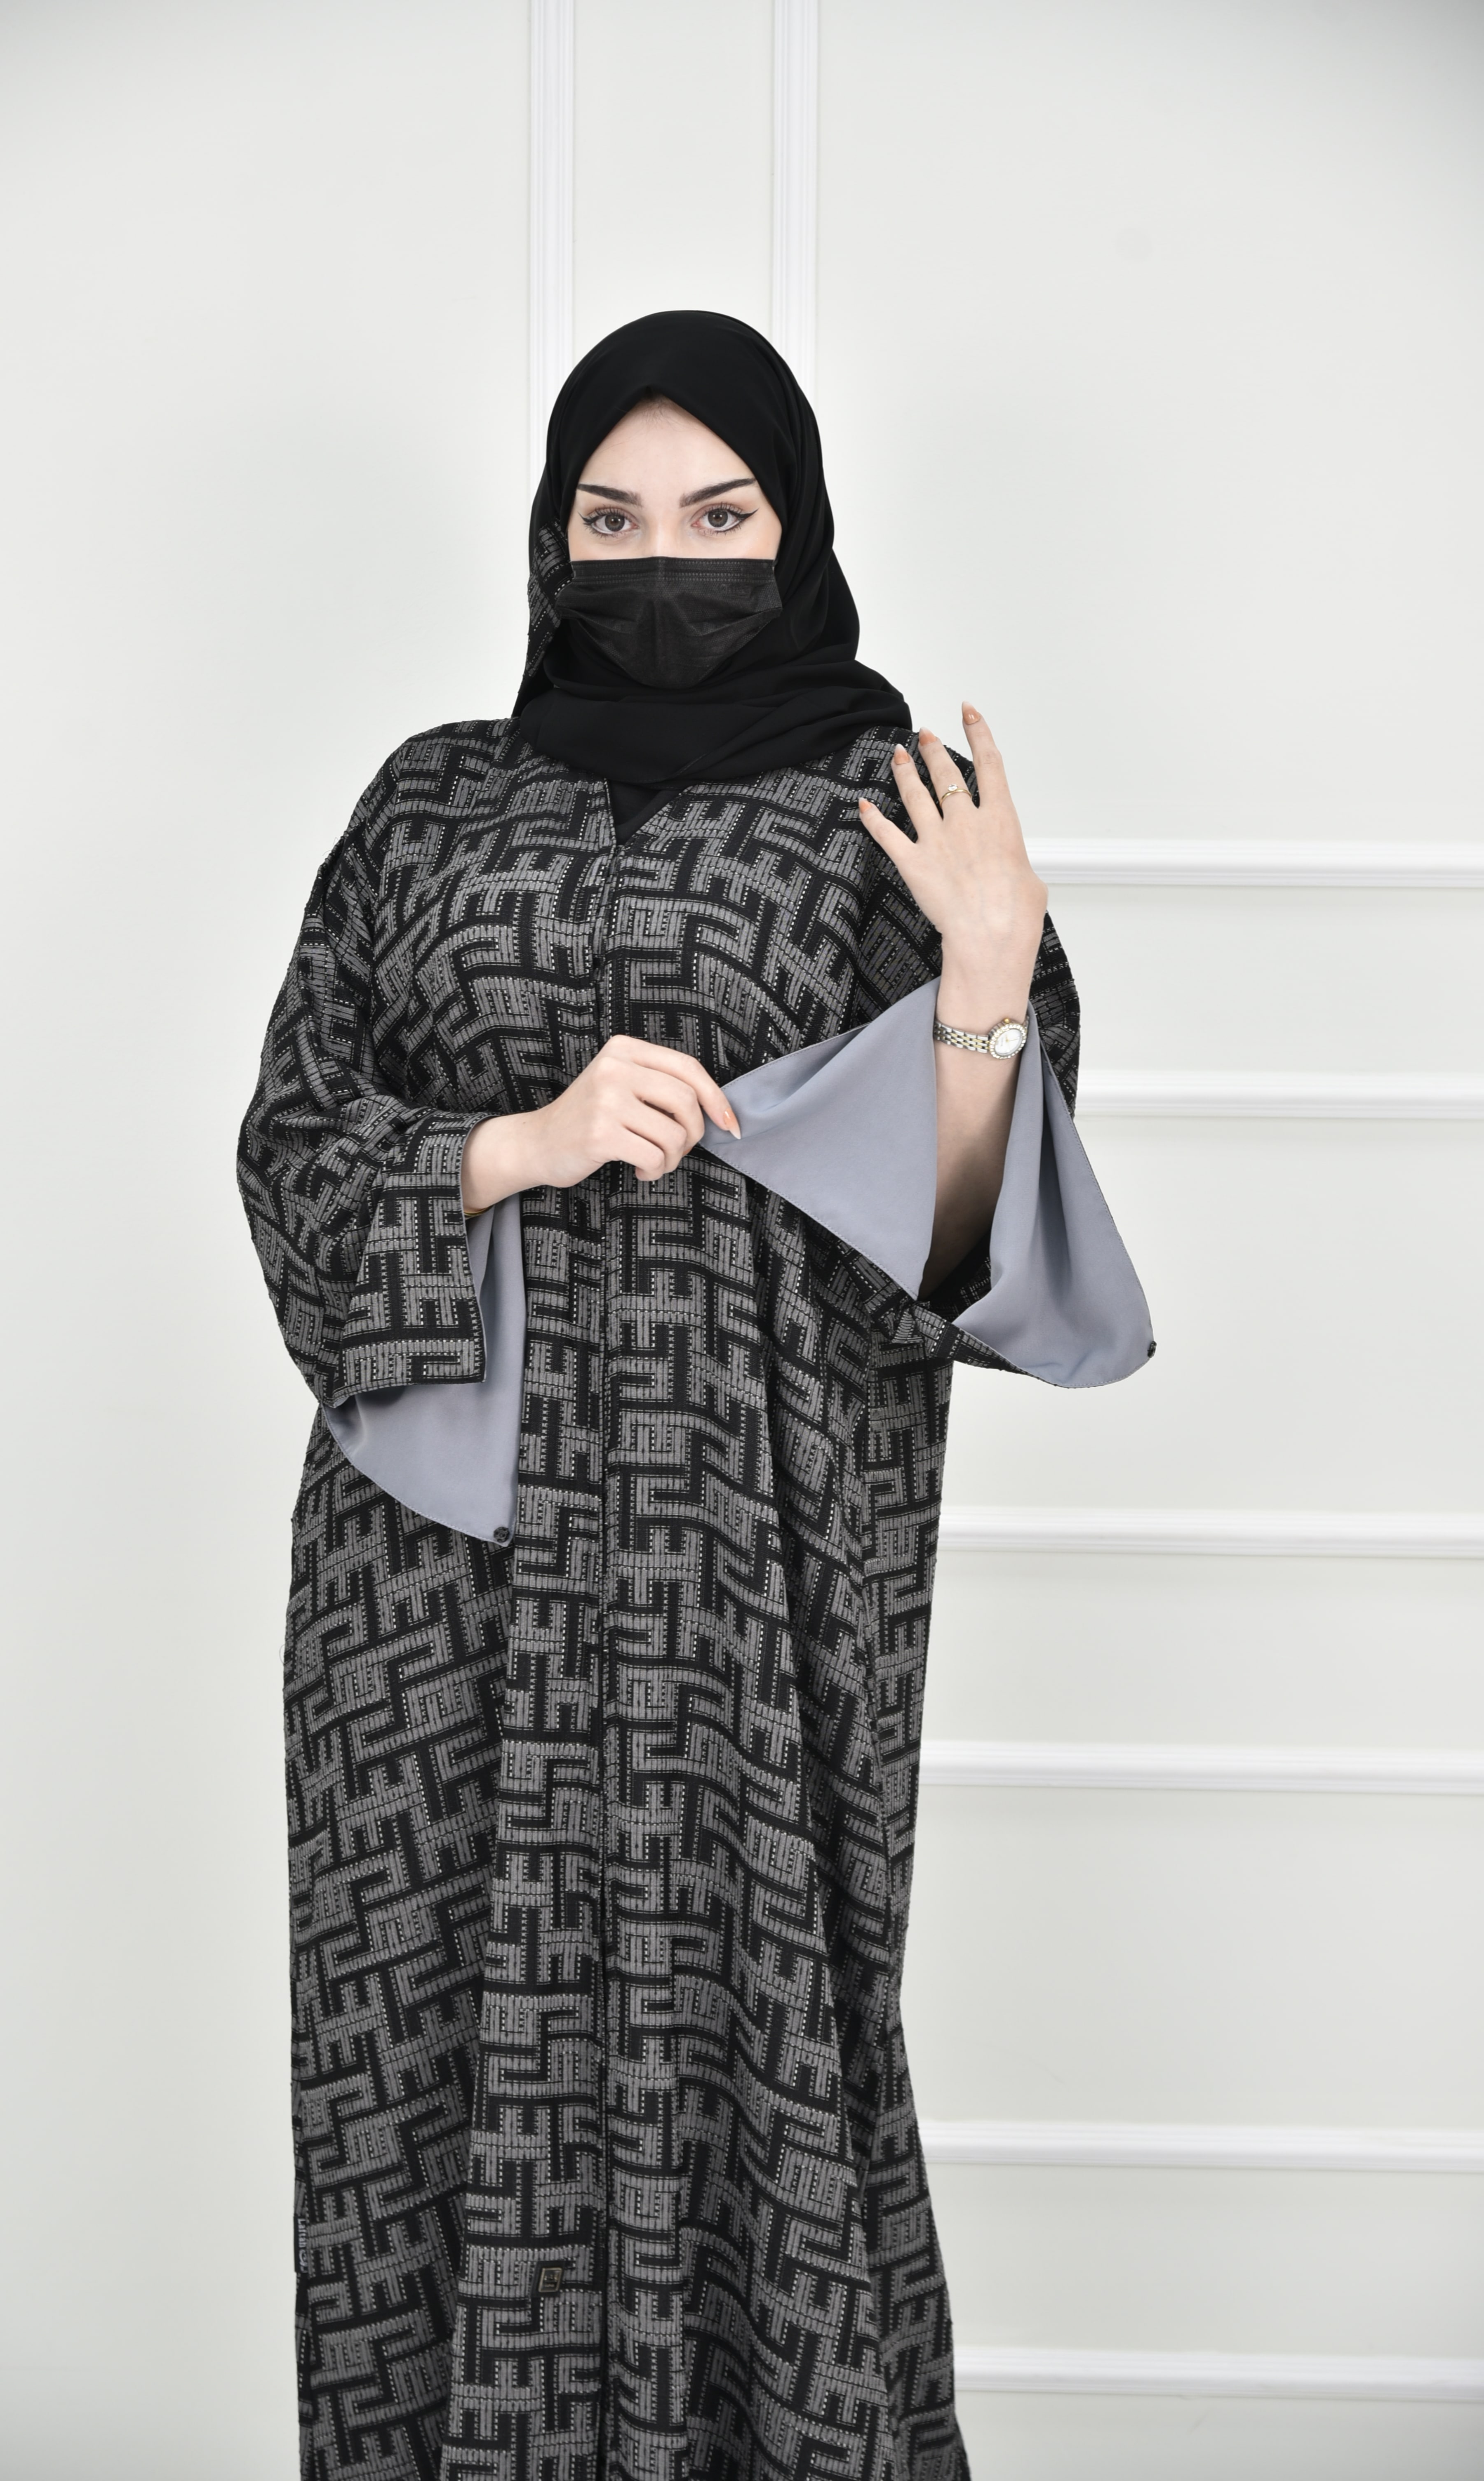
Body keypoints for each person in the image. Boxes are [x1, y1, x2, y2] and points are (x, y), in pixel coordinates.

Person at [239, 308, 1151, 2481]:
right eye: (615, 517)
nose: (665, 562)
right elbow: (293, 1150)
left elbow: (967, 1255)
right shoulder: (428, 805)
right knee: (421, 2079)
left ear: (798, 530)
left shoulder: (889, 810)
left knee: (761, 2073)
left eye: (721, 518)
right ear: (552, 538)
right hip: (433, 1587)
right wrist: (519, 1142)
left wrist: (990, 970)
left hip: (753, 1553)